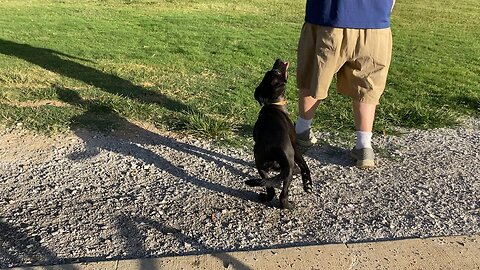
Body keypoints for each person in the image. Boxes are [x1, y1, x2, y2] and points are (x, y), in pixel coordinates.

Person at [295, 0, 396, 169]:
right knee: (367, 85)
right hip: (376, 22)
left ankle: (302, 131)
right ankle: (364, 147)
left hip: (327, 17)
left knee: (314, 76)